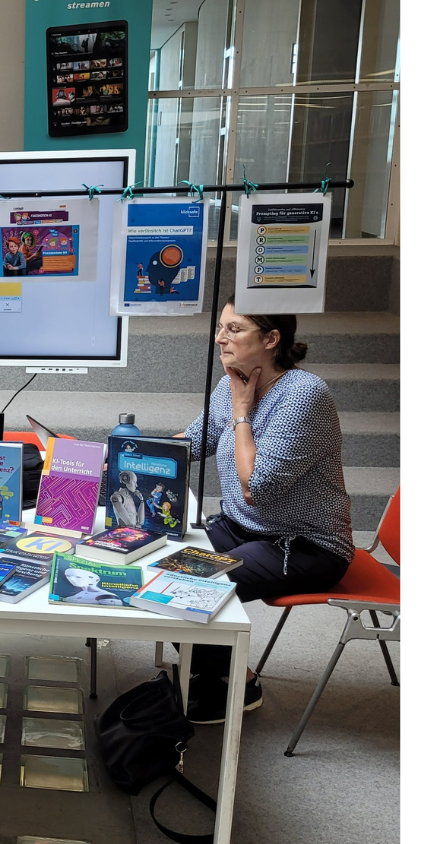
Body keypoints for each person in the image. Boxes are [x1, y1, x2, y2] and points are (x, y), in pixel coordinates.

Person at [173, 299, 355, 723]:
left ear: (271, 339)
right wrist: (130, 454)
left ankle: (240, 682)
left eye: (234, 329)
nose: (220, 338)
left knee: (190, 584)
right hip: (243, 527)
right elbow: (198, 440)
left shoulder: (303, 396)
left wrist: (241, 413)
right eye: (221, 327)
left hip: (306, 544)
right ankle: (212, 668)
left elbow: (258, 487)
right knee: (159, 564)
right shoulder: (232, 383)